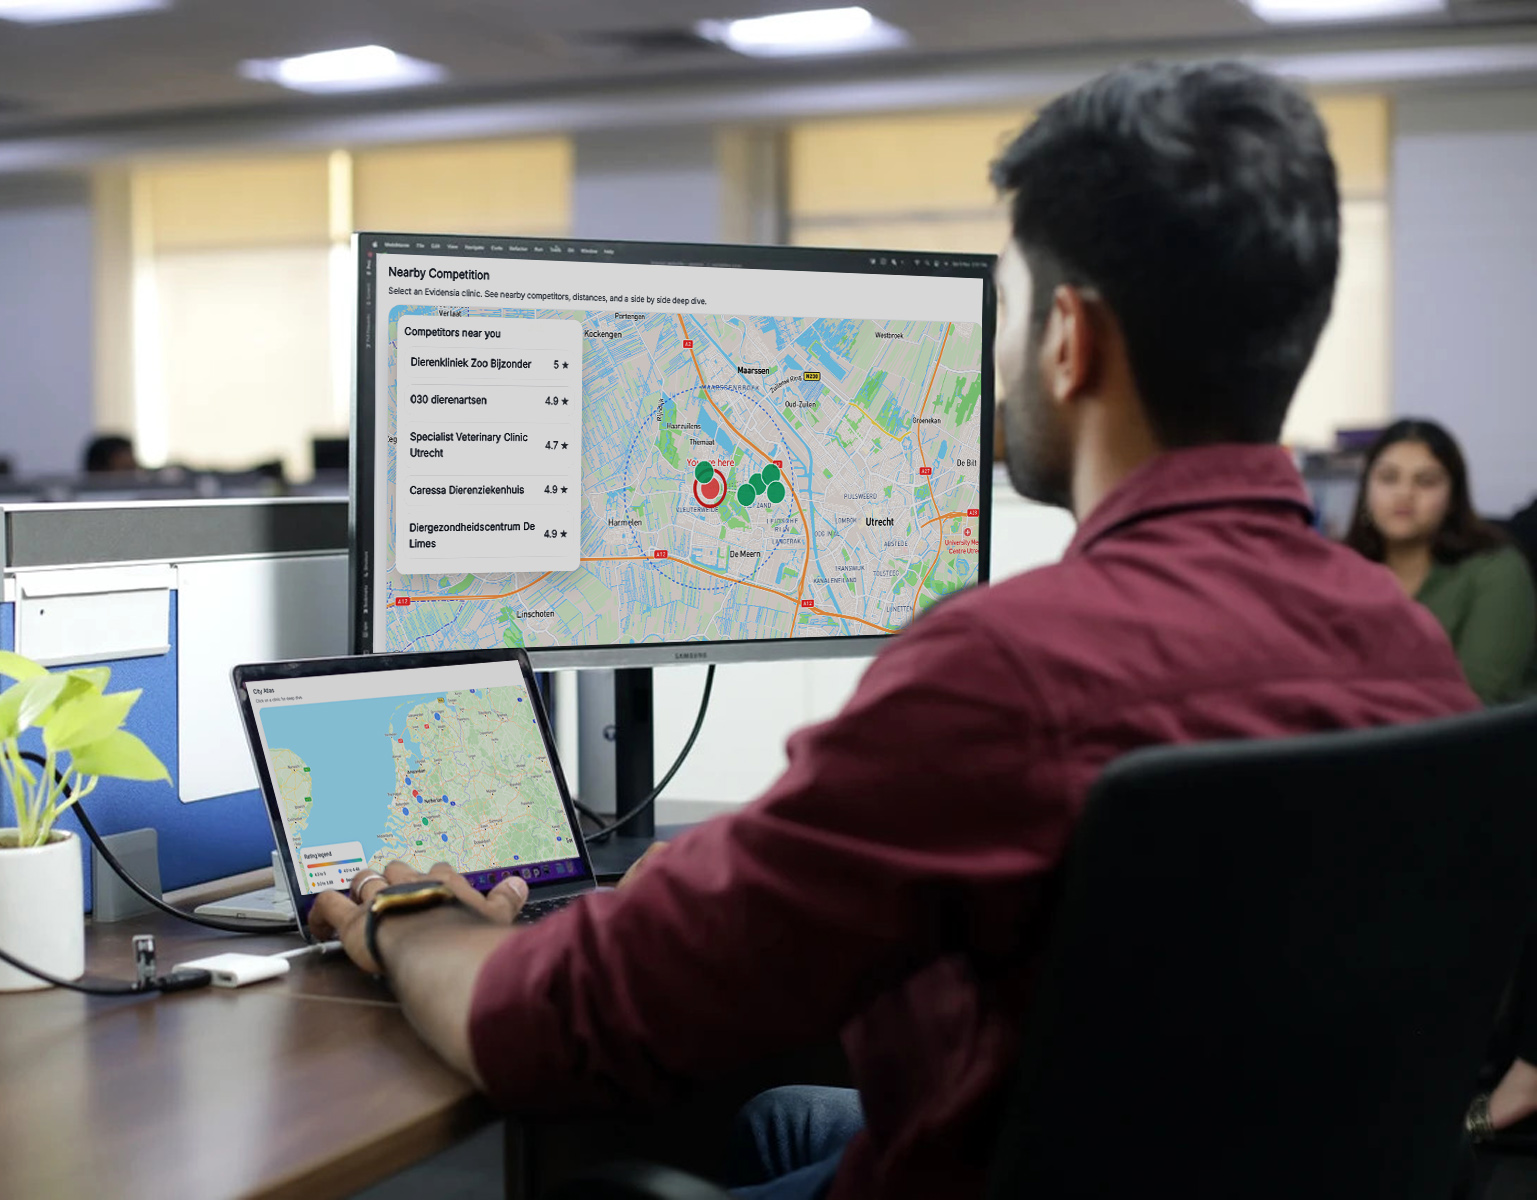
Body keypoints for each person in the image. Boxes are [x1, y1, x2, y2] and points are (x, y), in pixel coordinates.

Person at [311, 62, 1480, 1200]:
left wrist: (417, 921)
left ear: (1068, 339)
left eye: (1009, 311)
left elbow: (563, 1029)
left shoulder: (1008, 674)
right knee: (780, 1120)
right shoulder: (1404, 645)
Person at [1344, 419, 1537, 705]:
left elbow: (1480, 697)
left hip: (1471, 745)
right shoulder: (1340, 571)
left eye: (1426, 481)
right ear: (1365, 491)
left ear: (1452, 499)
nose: (1404, 494)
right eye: (1388, 478)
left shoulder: (1496, 570)